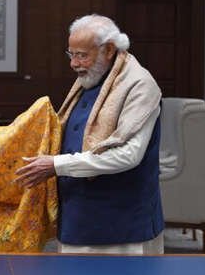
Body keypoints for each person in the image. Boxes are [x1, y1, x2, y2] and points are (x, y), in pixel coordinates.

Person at [15, 14, 164, 254]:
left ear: (108, 50)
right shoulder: (90, 80)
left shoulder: (139, 85)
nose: (73, 63)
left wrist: (57, 165)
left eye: (82, 55)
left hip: (123, 226)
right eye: (71, 54)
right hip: (78, 218)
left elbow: (129, 155)